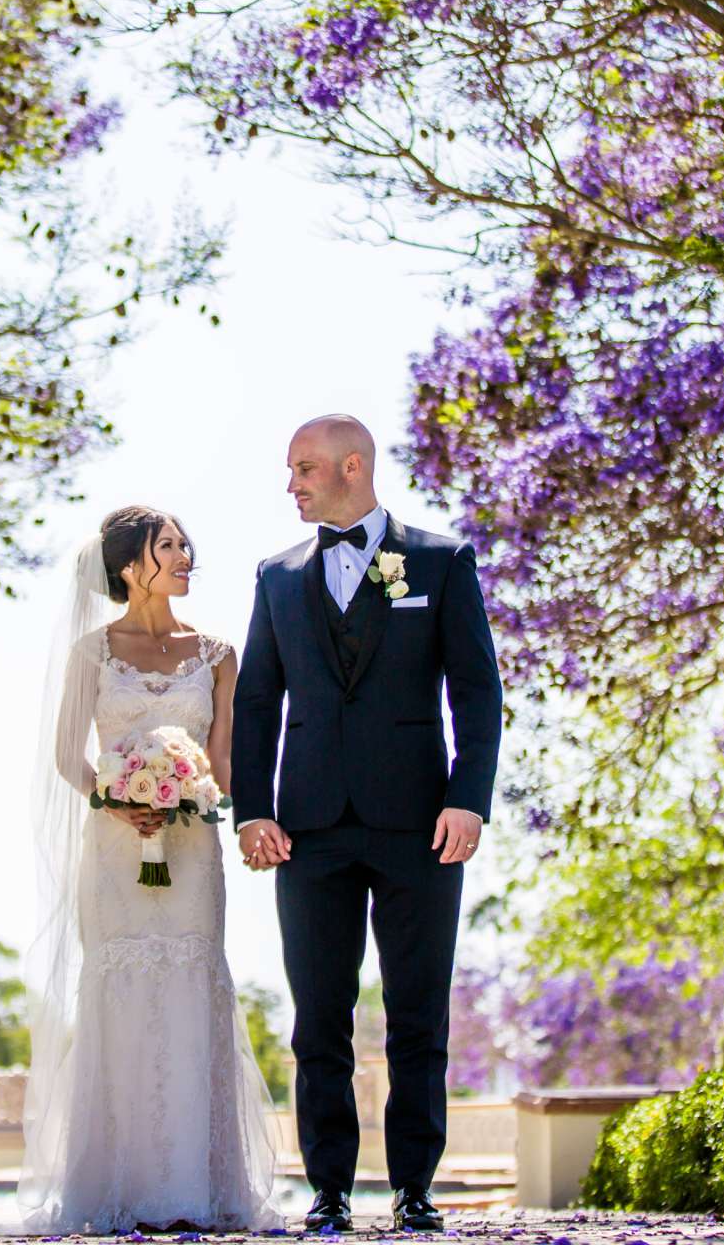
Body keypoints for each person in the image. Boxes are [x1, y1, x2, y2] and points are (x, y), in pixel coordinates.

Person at [233, 416, 504, 1234]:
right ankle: (329, 1191)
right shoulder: (276, 576)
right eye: (289, 471)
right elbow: (255, 704)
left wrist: (470, 795)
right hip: (307, 830)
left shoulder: (440, 561)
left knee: (419, 1013)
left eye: (306, 468)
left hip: (422, 824)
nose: (293, 484)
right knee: (319, 1017)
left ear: (353, 466)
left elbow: (478, 693)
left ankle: (415, 1189)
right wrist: (252, 810)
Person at [19, 505, 280, 1235]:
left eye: (185, 545)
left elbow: (226, 763)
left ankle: (196, 1188)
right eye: (169, 547)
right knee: (121, 992)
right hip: (112, 853)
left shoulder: (220, 654)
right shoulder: (91, 653)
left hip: (193, 854)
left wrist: (239, 803)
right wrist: (115, 797)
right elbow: (67, 754)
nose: (186, 556)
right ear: (132, 565)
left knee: (195, 986)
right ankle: (119, 1187)